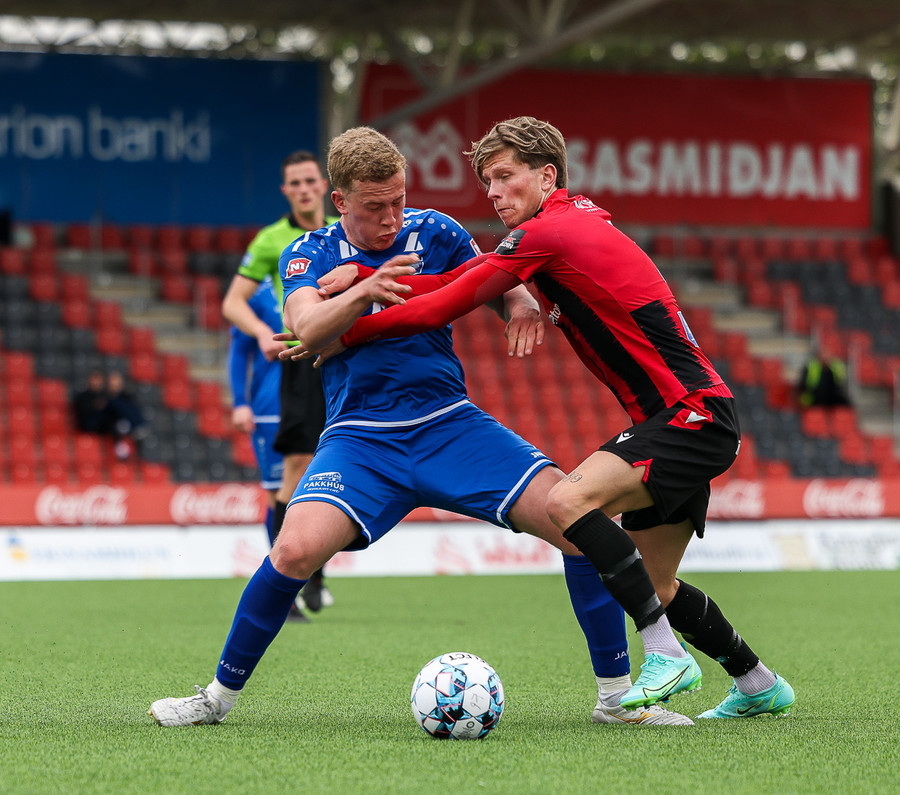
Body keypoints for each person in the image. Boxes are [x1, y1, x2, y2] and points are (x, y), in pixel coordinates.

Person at [148, 126, 692, 728]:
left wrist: (520, 304)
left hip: (450, 426)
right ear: (340, 201)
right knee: (294, 550)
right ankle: (216, 699)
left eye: (398, 200)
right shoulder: (309, 251)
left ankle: (616, 700)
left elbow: (494, 280)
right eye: (375, 206)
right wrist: (364, 290)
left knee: (580, 524)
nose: (391, 218)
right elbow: (306, 327)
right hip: (361, 439)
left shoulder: (436, 231)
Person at [313, 117, 795, 719]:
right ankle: (757, 682)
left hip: (688, 415)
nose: (493, 193)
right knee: (654, 584)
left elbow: (438, 307)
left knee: (568, 502)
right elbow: (456, 278)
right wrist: (366, 276)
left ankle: (664, 653)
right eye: (488, 182)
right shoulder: (562, 226)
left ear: (547, 176)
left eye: (504, 176)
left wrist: (339, 334)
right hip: (687, 416)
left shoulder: (550, 231)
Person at [221, 150, 337, 619]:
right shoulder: (270, 240)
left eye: (311, 181)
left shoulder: (344, 229)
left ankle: (316, 576)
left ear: (324, 186)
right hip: (299, 361)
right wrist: (259, 333)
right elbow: (232, 303)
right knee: (295, 472)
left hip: (345, 358)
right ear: (286, 191)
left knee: (333, 472)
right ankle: (285, 587)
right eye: (296, 183)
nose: (305, 189)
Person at [105, 370, 148, 460]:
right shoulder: (105, 398)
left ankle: (138, 457)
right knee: (121, 426)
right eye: (112, 383)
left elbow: (132, 413)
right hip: (111, 428)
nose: (115, 385)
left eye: (117, 383)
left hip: (128, 426)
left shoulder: (127, 397)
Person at [797, 344, 851, 408]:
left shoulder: (836, 366)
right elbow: (803, 385)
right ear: (818, 356)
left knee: (845, 404)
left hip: (832, 397)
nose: (826, 357)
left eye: (828, 354)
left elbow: (840, 385)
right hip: (813, 397)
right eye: (824, 354)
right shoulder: (810, 367)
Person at [73, 369, 111, 435]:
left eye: (98, 380)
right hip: (87, 429)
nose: (96, 382)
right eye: (94, 379)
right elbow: (82, 415)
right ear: (89, 380)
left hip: (106, 430)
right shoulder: (82, 397)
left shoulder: (107, 396)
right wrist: (95, 406)